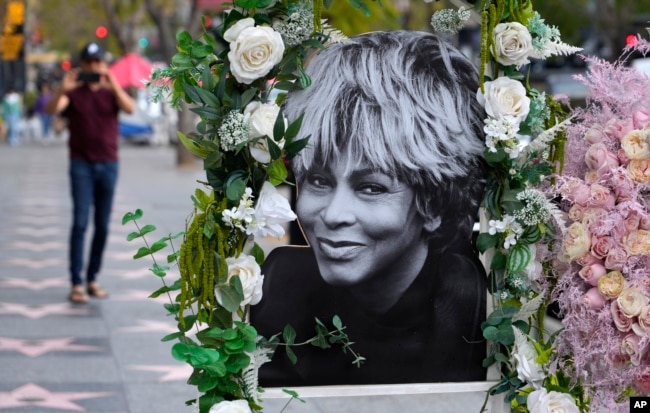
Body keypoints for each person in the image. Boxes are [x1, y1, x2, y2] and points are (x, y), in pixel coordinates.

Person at [250, 30, 488, 386]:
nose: (333, 213)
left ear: (434, 201)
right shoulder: (278, 288)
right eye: (318, 180)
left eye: (371, 187)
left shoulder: (472, 312)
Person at [45, 42, 135, 304]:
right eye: (90, 63)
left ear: (103, 64)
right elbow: (51, 109)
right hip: (81, 165)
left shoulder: (111, 92)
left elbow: (130, 109)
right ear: (82, 65)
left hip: (109, 164)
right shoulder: (73, 93)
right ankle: (76, 283)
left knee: (104, 226)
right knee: (81, 223)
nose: (95, 67)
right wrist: (63, 87)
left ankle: (92, 278)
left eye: (99, 62)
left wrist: (114, 83)